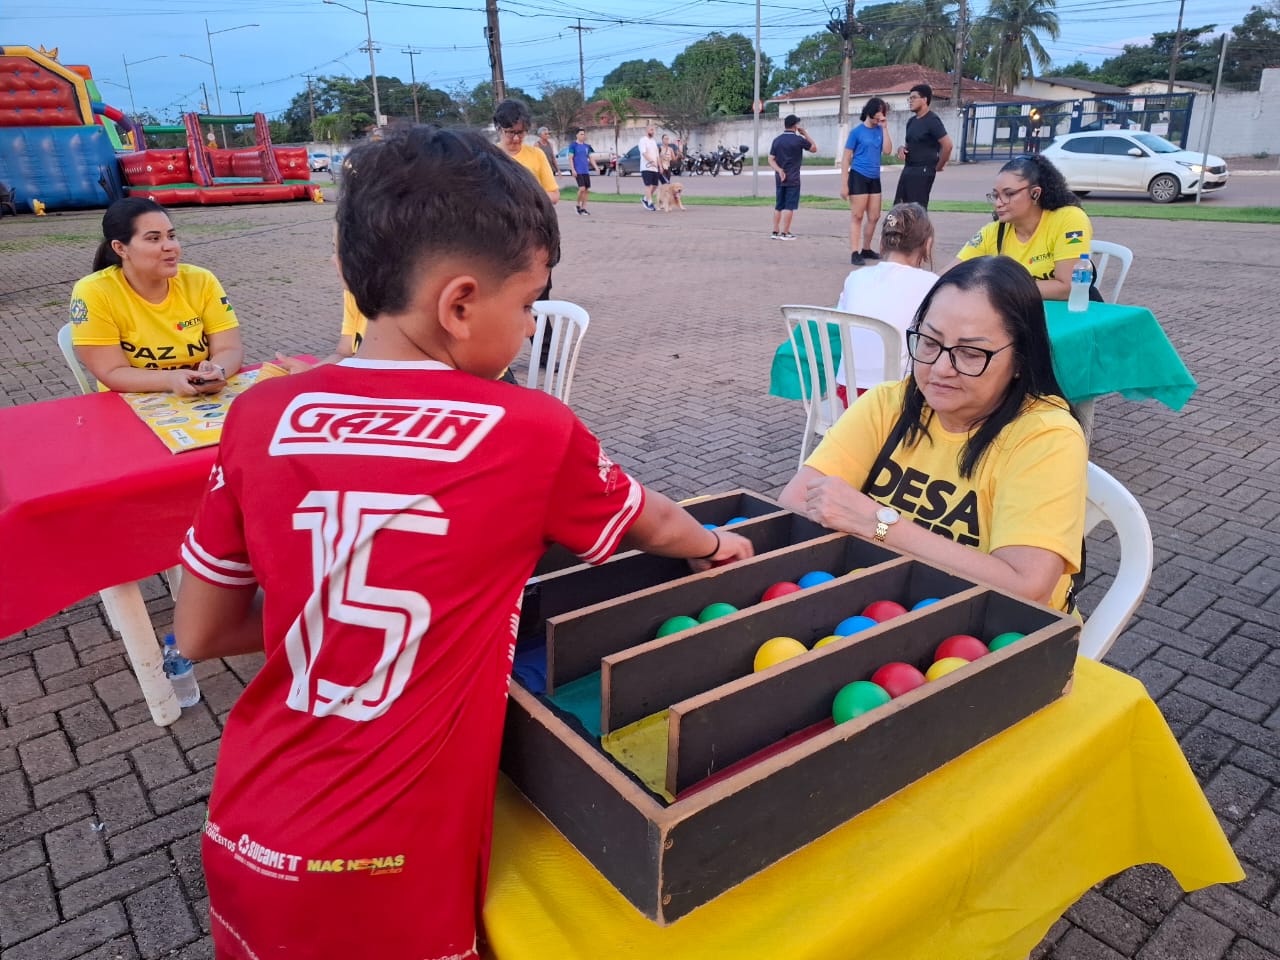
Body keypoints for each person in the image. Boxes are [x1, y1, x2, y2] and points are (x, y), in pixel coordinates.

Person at [171, 125, 754, 960]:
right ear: (460, 303)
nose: (526, 331)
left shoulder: (259, 414)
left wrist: (322, 623)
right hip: (385, 866)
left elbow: (199, 631)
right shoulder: (527, 430)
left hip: (246, 833)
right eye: (527, 306)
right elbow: (656, 523)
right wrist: (711, 547)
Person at [779, 256, 1086, 613]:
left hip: (994, 637)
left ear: (1020, 359)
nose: (940, 369)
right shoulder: (888, 404)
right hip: (879, 609)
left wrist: (877, 523)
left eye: (971, 353)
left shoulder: (1046, 437)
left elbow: (1024, 586)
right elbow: (796, 502)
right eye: (929, 342)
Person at [69, 197, 243, 395]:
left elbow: (229, 348)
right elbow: (111, 371)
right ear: (120, 248)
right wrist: (170, 379)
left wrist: (217, 370)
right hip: (130, 401)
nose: (170, 247)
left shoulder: (201, 280)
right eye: (154, 238)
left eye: (171, 236)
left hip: (201, 397)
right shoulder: (94, 291)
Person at [833, 203, 937, 406]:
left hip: (850, 393)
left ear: (881, 242)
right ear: (928, 244)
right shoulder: (932, 284)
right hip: (898, 396)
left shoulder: (855, 278)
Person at [953, 154, 1093, 301]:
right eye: (995, 195)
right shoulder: (993, 231)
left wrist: (999, 288)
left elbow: (1068, 288)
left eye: (1009, 194)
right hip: (1022, 316)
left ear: (1035, 193)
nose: (998, 203)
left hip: (1068, 316)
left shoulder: (1068, 218)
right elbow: (951, 273)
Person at [842, 97, 894, 265]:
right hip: (858, 176)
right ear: (870, 113)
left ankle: (866, 248)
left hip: (874, 177)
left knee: (874, 216)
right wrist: (844, 184)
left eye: (883, 113)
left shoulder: (880, 130)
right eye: (878, 113)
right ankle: (854, 252)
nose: (880, 116)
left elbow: (887, 151)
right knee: (857, 216)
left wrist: (885, 128)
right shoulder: (856, 132)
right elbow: (846, 158)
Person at [893, 84, 953, 210]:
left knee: (916, 211)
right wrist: (901, 149)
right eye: (909, 99)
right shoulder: (911, 122)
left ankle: (919, 230)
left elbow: (947, 145)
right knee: (899, 208)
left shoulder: (932, 120)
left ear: (925, 100)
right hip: (908, 169)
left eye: (914, 98)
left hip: (923, 171)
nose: (910, 101)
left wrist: (939, 166)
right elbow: (909, 144)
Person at [494, 98, 559, 204]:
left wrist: (528, 198)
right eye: (510, 132)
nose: (516, 138)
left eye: (520, 132)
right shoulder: (488, 157)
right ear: (499, 129)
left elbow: (554, 195)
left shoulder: (537, 155)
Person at [768, 114, 817, 240]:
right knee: (790, 206)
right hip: (793, 177)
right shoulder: (798, 140)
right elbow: (814, 149)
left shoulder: (777, 140)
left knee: (779, 205)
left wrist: (779, 170)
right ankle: (785, 232)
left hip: (780, 178)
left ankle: (775, 231)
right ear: (795, 125)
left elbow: (771, 159)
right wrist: (805, 134)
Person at [568, 127, 600, 216]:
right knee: (581, 188)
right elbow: (570, 158)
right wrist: (573, 169)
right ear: (577, 135)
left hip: (585, 170)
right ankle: (577, 205)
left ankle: (584, 208)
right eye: (581, 134)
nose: (583, 136)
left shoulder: (587, 146)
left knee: (586, 190)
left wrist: (596, 167)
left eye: (584, 134)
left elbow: (590, 158)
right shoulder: (573, 145)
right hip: (578, 170)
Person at [638, 124, 660, 210]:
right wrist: (651, 161)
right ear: (647, 130)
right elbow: (644, 153)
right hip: (646, 167)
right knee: (648, 185)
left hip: (654, 168)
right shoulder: (643, 140)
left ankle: (645, 199)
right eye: (651, 130)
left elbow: (657, 155)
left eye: (654, 130)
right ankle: (650, 202)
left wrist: (659, 165)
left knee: (655, 185)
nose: (653, 131)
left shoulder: (653, 141)